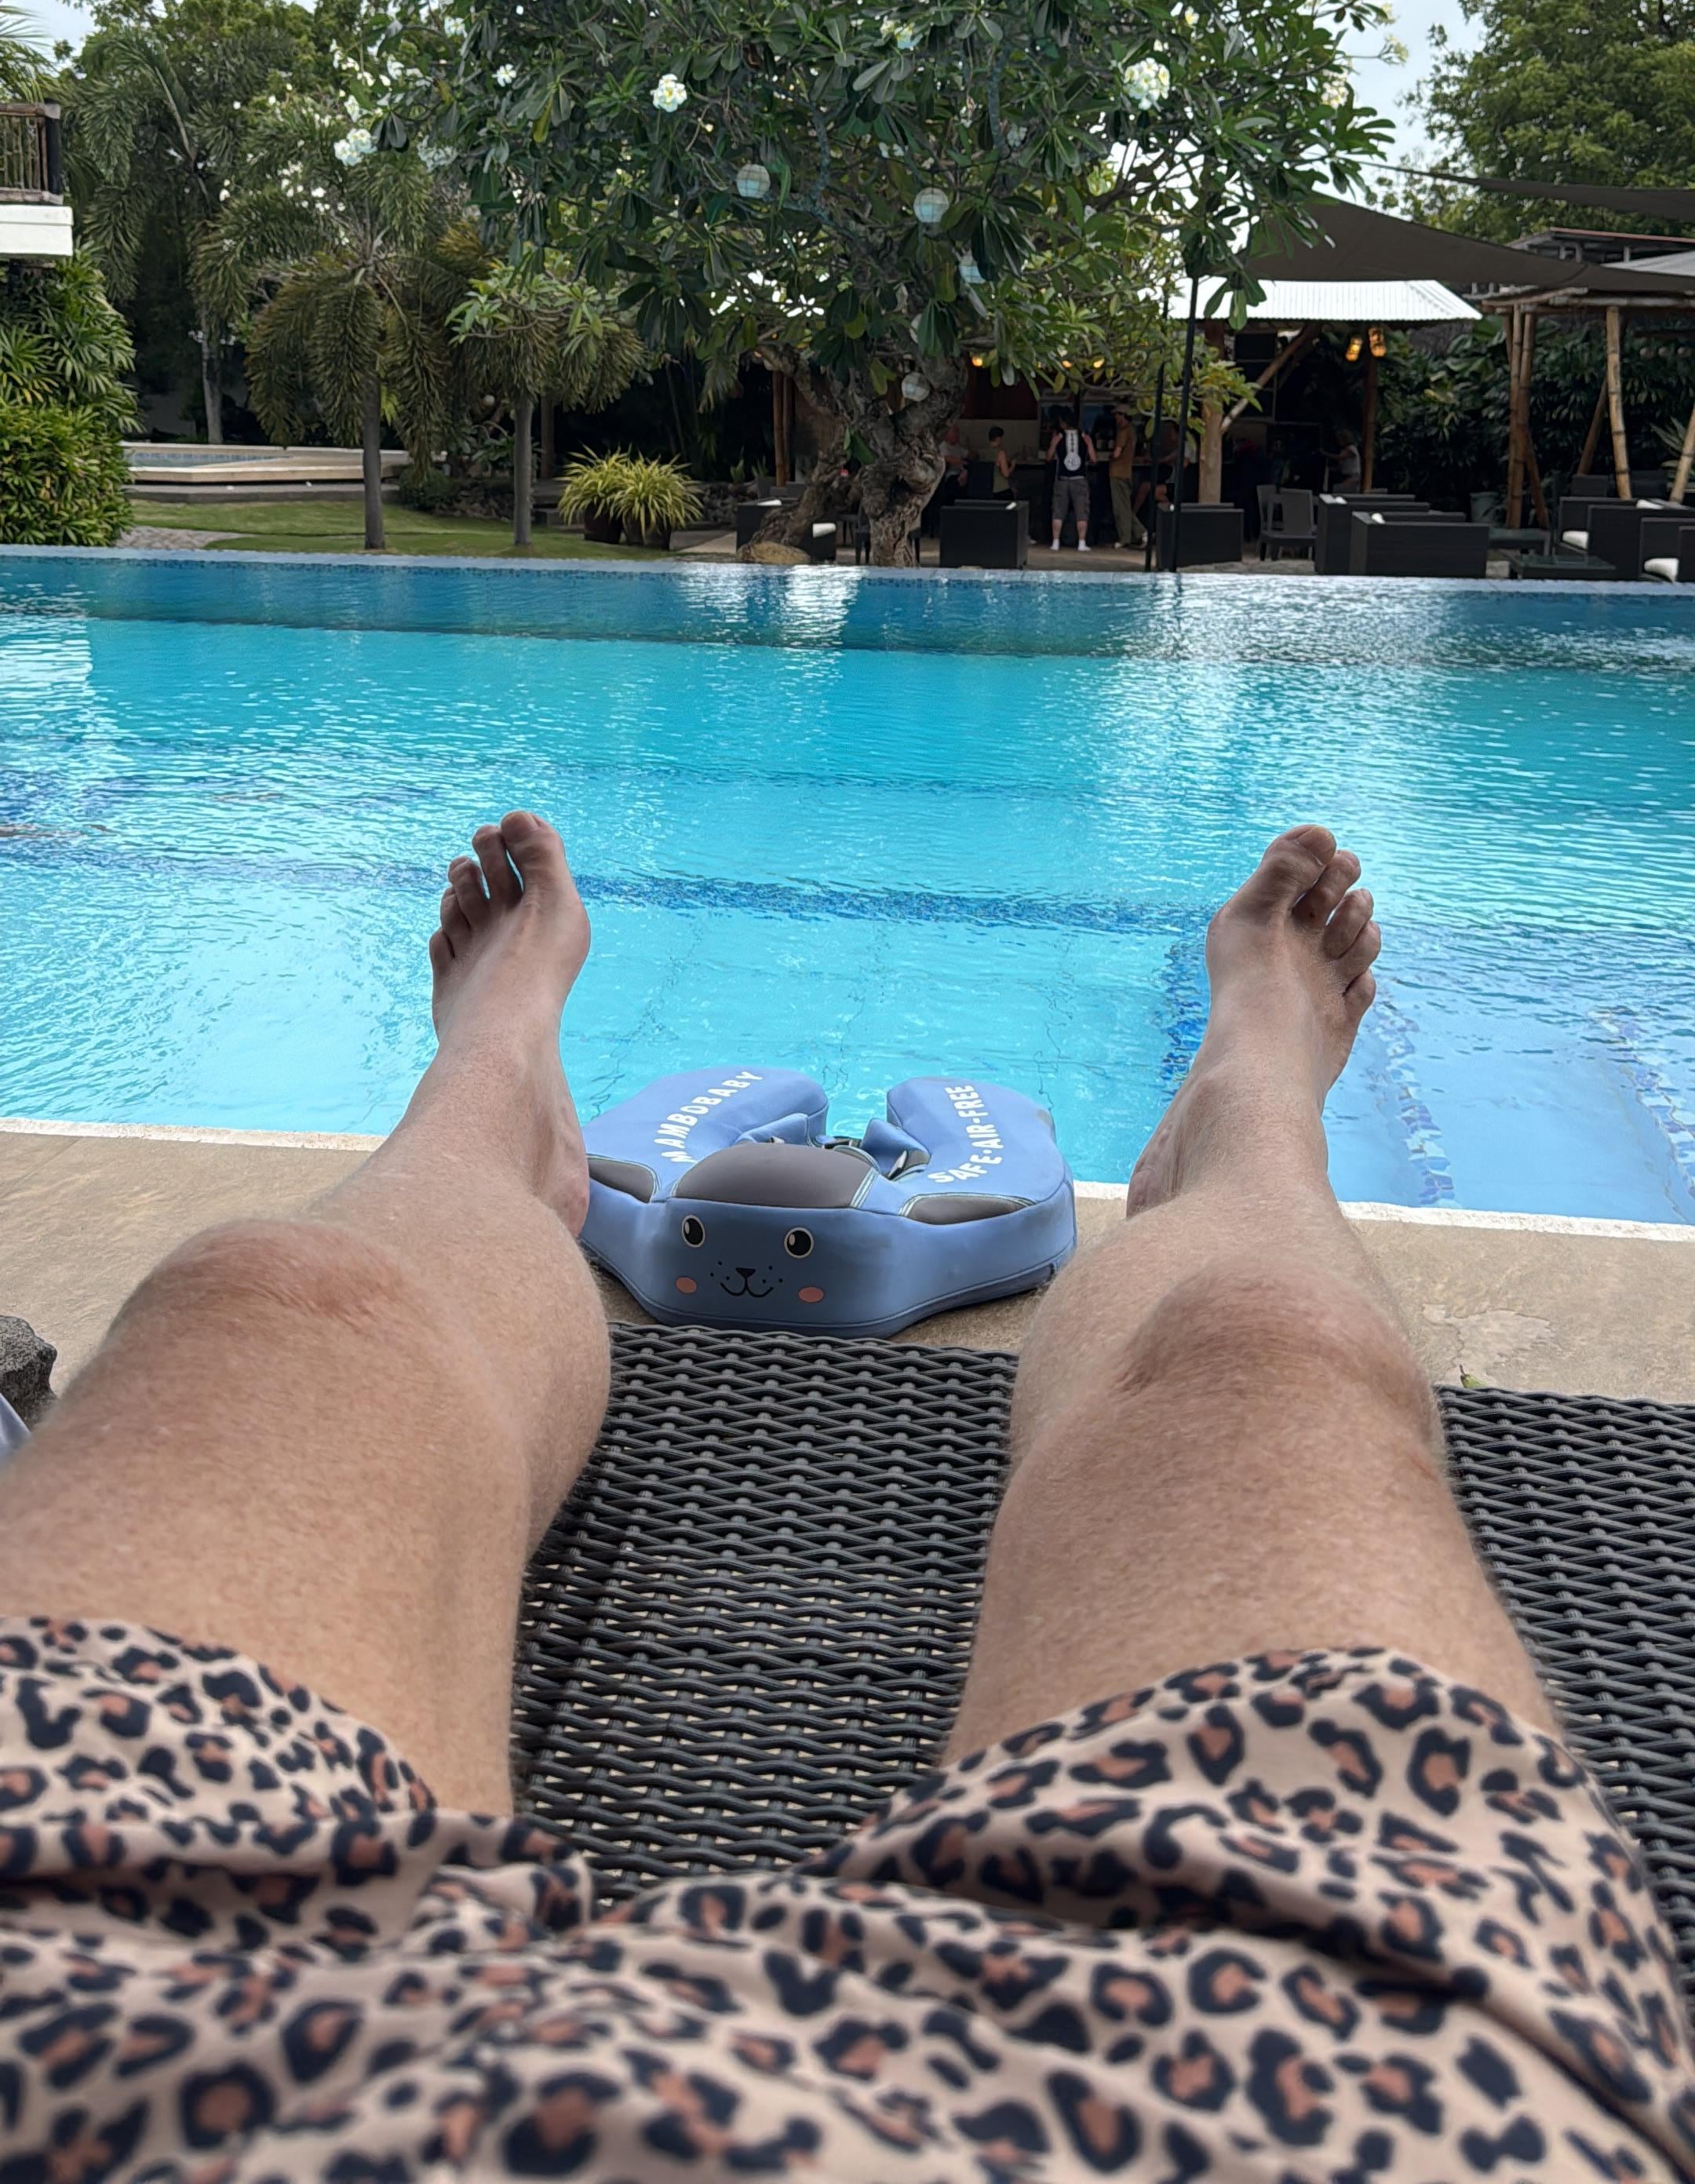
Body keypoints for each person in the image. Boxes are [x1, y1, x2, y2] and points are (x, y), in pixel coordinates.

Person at [0, 815, 1690, 2182]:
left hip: (101, 2057)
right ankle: (1246, 1149)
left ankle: (488, 1101)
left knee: (273, 1302)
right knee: (1262, 1355)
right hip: (1299, 2104)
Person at [1045, 412, 1099, 549]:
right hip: (1080, 479)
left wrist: (1053, 444)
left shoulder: (1058, 437)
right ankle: (1082, 543)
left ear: (1064, 423)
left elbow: (1049, 458)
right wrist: (1090, 445)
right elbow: (1094, 460)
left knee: (1058, 510)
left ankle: (1055, 542)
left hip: (1062, 479)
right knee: (1082, 511)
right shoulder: (1085, 437)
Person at [1107, 406, 1142, 546]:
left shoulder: (1123, 431)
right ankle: (1139, 532)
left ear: (1123, 415)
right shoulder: (1132, 431)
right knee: (1125, 506)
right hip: (1127, 472)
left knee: (1120, 508)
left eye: (1117, 415)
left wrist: (1110, 457)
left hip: (1118, 472)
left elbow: (1117, 453)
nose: (1115, 418)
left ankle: (1126, 538)